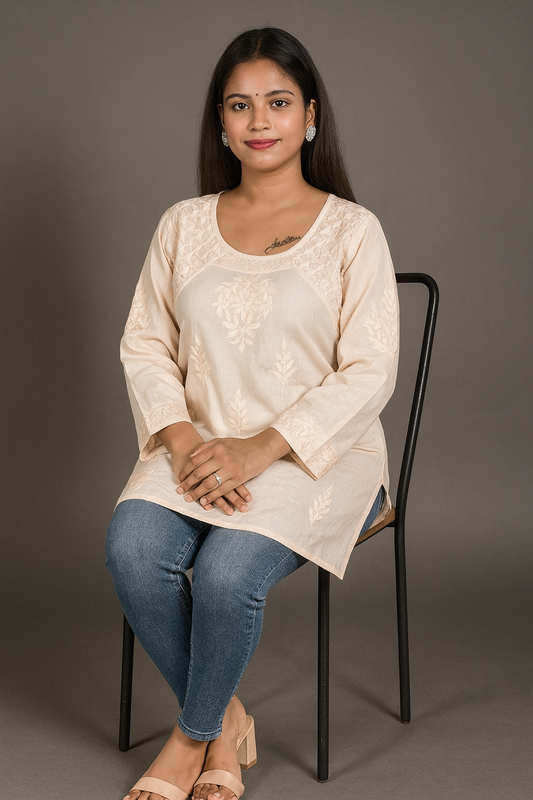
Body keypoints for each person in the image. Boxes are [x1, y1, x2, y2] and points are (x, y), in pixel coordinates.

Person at [106, 26, 399, 800]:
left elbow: (370, 370)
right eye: (239, 105)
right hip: (196, 442)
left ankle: (190, 740)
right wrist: (182, 439)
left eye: (278, 102)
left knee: (227, 573)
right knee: (133, 551)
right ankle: (226, 719)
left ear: (310, 116)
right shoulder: (181, 224)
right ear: (220, 122)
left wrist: (261, 448)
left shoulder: (352, 230)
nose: (259, 120)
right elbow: (144, 343)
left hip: (317, 452)